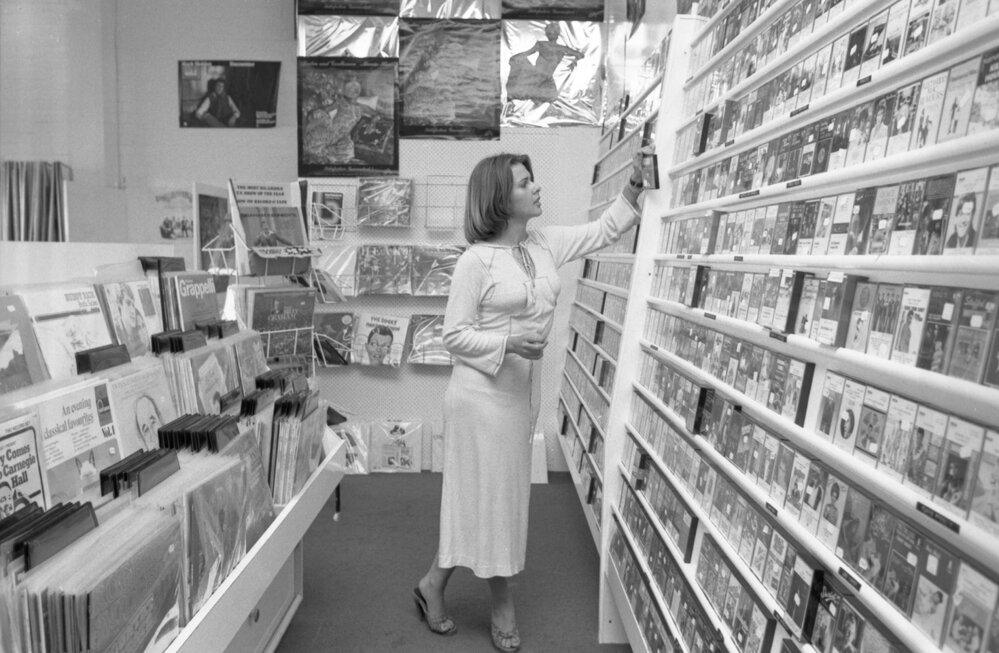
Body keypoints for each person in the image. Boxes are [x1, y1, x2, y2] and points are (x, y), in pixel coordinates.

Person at [413, 148, 647, 651]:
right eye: (524, 183)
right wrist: (506, 344)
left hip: (520, 396)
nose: (535, 188)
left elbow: (603, 230)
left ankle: (432, 583)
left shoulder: (542, 244)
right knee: (492, 500)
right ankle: (501, 605)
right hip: (478, 399)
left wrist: (634, 186)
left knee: (492, 498)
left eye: (533, 180)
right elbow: (454, 335)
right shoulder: (475, 262)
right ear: (500, 198)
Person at [506, 22, 584, 103]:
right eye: (549, 33)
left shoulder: (562, 48)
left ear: (557, 34)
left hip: (547, 80)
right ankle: (514, 94)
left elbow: (580, 55)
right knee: (519, 60)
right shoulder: (541, 44)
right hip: (535, 75)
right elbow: (527, 53)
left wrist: (575, 57)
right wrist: (515, 57)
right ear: (546, 34)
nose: (551, 35)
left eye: (553, 33)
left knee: (548, 100)